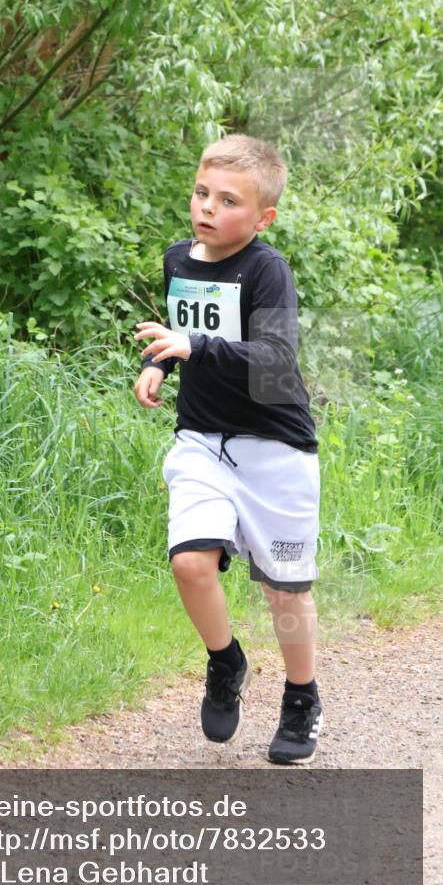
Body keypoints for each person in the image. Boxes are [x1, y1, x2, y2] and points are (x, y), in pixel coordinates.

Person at [133, 134, 323, 765]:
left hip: (276, 447)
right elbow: (182, 336)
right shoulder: (177, 260)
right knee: (190, 563)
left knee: (284, 594)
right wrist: (157, 363)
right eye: (200, 192)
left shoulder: (267, 271)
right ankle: (226, 661)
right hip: (202, 441)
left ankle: (301, 698)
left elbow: (272, 364)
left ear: (263, 217)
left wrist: (192, 346)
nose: (207, 208)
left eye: (228, 200)